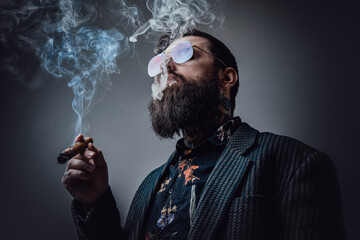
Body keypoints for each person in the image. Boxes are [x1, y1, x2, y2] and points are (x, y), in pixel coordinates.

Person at [62, 29, 346, 240]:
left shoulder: (294, 163)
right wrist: (94, 200)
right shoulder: (151, 185)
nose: (166, 67)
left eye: (184, 53)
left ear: (227, 78)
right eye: (159, 62)